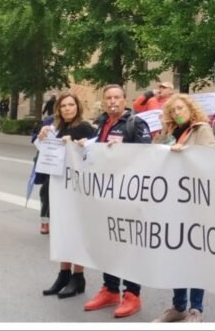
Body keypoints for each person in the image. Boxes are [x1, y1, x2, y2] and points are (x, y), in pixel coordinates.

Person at [83, 84, 152, 319]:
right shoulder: (102, 123)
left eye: (117, 97)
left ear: (125, 100)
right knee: (108, 243)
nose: (112, 101)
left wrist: (122, 151)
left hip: (129, 195)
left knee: (129, 246)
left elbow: (147, 156)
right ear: (104, 101)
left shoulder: (136, 123)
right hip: (105, 195)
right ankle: (111, 289)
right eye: (108, 98)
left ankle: (132, 294)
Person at [153, 95, 214, 323]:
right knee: (176, 253)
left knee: (196, 255)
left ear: (190, 108)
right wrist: (163, 132)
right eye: (173, 110)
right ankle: (178, 306)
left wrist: (185, 153)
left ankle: (195, 309)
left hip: (195, 200)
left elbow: (210, 158)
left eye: (181, 107)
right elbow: (153, 155)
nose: (178, 112)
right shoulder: (170, 133)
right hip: (172, 200)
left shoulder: (202, 129)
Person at [39, 92, 97, 299]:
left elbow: (94, 155)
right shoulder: (57, 128)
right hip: (59, 185)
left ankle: (78, 276)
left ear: (77, 107)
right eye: (63, 105)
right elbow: (46, 153)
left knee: (77, 231)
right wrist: (43, 137)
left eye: (71, 105)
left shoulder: (84, 127)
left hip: (77, 188)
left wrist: (76, 144)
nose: (67, 108)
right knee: (62, 230)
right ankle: (63, 274)